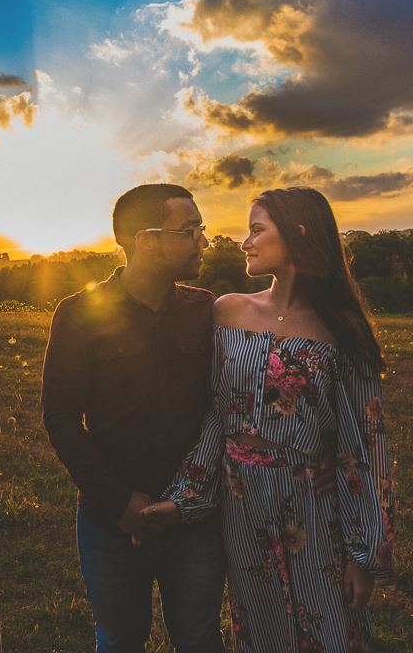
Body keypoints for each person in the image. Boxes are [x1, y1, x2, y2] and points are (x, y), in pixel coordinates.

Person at [144, 187, 395, 653]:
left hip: (314, 504)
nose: (245, 241)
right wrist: (185, 498)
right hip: (241, 502)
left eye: (257, 230)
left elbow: (367, 442)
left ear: (298, 234)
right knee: (258, 629)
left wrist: (364, 555)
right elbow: (217, 417)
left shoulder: (341, 327)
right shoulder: (229, 312)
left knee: (329, 629)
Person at [41, 183, 226, 653]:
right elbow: (61, 417)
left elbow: (238, 403)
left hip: (195, 520)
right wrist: (118, 503)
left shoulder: (209, 311)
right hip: (110, 522)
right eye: (190, 231)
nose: (204, 241)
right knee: (119, 640)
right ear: (145, 239)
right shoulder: (80, 313)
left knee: (200, 638)